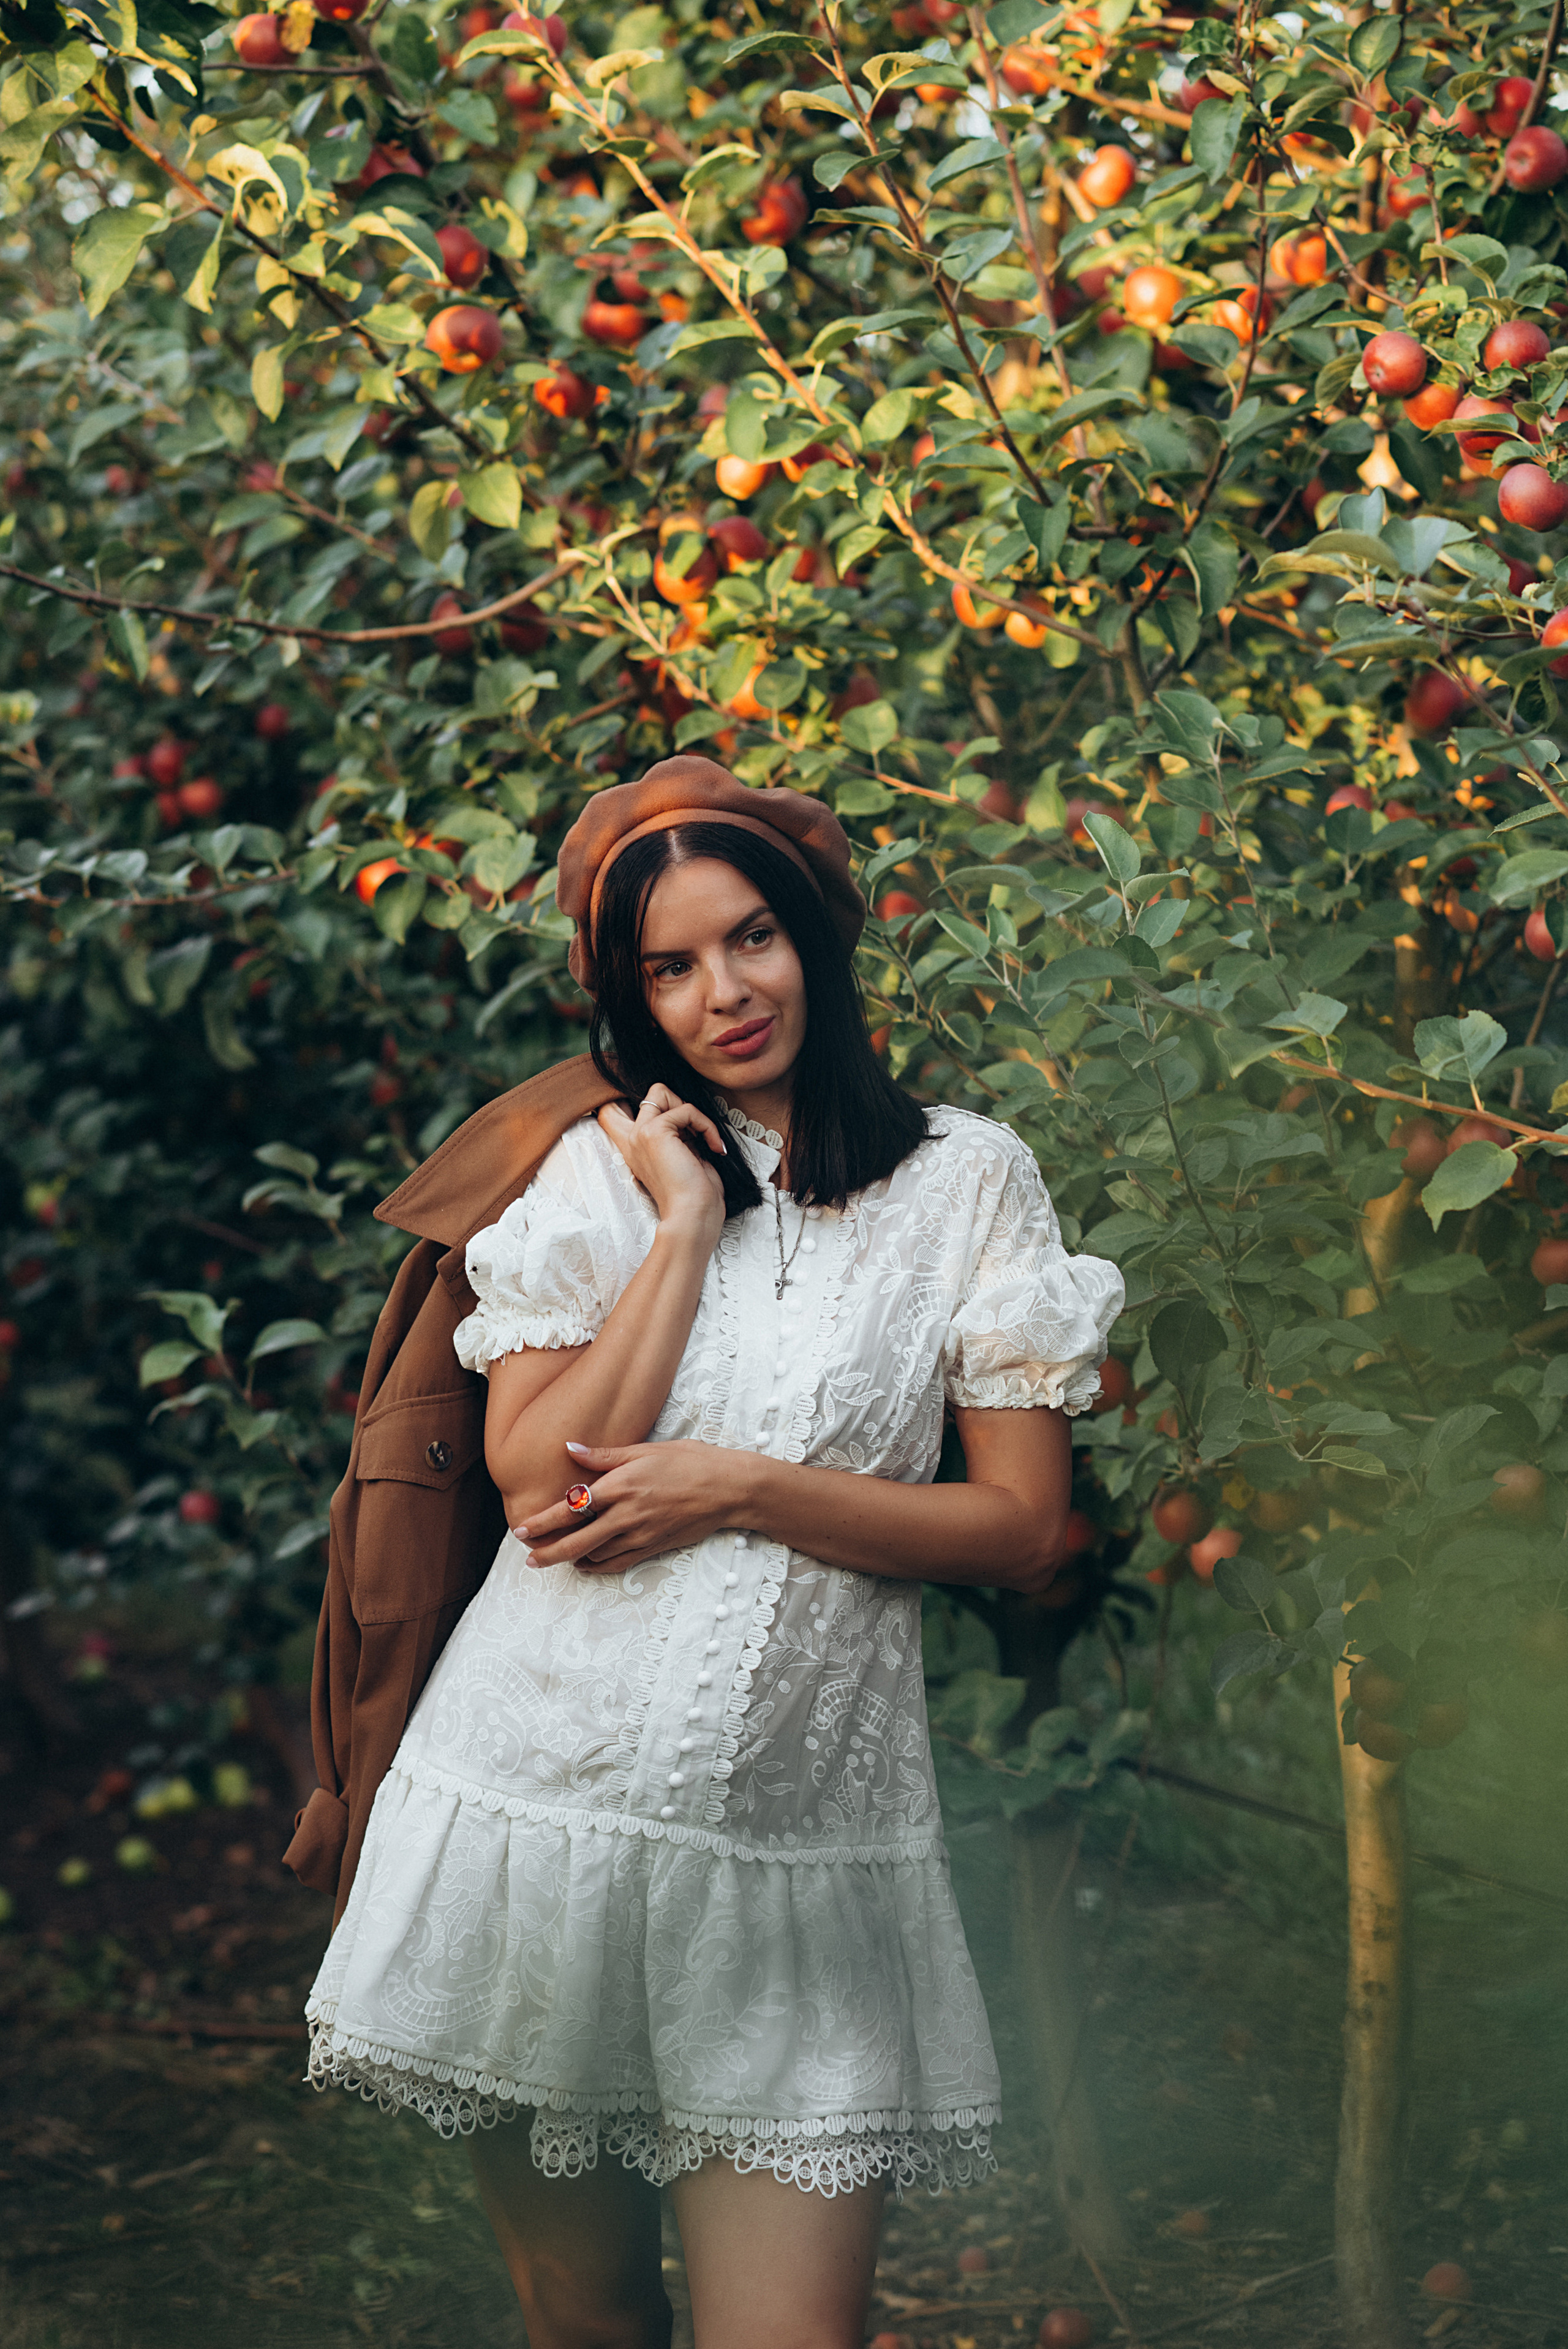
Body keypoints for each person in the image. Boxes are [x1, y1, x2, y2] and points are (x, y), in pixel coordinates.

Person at [304, 759, 1123, 2349]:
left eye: (751, 937)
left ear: (816, 931)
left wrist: (739, 1483)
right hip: (537, 1819)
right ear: (629, 990)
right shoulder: (597, 1171)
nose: (723, 991)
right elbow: (544, 1488)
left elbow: (1022, 1526)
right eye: (669, 966)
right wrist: (679, 1227)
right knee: (591, 2315)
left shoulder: (967, 1180)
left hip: (802, 1860)